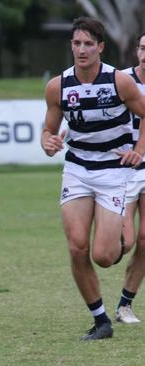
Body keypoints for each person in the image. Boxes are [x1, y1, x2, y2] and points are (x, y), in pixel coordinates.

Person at [40, 17, 145, 340]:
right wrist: (48, 141)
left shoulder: (119, 82)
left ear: (100, 47)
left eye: (88, 44)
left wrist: (139, 149)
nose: (81, 50)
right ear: (71, 46)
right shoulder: (58, 86)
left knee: (103, 255)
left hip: (113, 172)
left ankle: (122, 240)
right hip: (77, 170)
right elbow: (48, 130)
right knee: (76, 247)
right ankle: (101, 320)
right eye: (76, 43)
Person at [116, 31, 145, 324]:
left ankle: (125, 305)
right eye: (142, 48)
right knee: (122, 242)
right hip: (124, 169)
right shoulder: (121, 81)